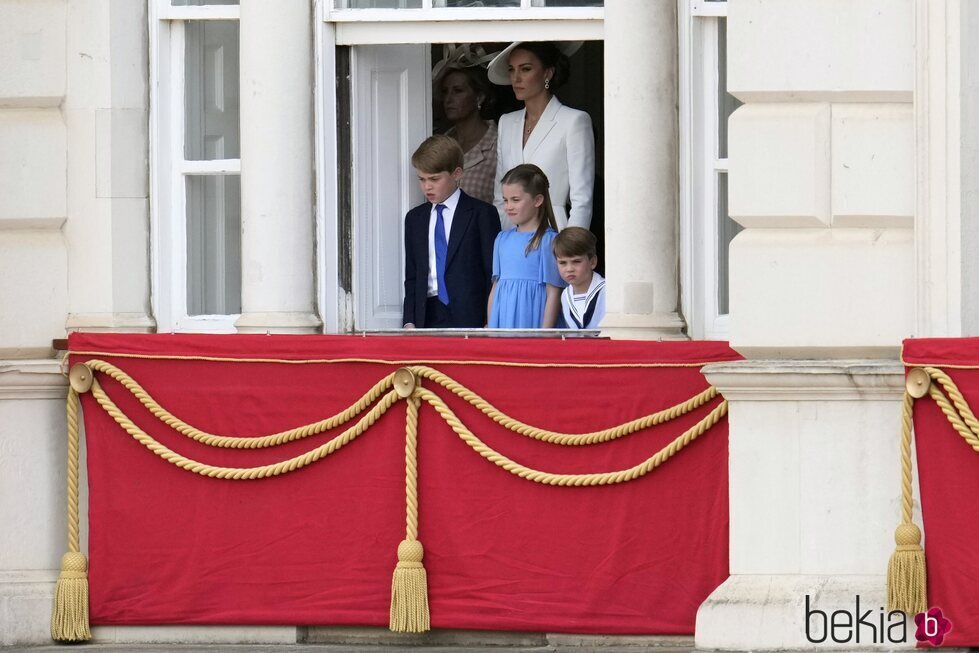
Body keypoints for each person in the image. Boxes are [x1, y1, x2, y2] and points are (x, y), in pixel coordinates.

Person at [487, 41, 595, 230]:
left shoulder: (573, 121)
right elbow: (499, 194)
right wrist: (505, 238)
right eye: (512, 70)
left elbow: (582, 200)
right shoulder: (507, 122)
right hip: (512, 235)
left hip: (554, 234)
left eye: (525, 69)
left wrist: (570, 249)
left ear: (548, 73)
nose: (516, 78)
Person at [403, 134, 501, 329]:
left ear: (457, 173)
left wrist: (490, 319)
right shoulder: (415, 218)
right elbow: (413, 274)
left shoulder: (482, 214)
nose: (427, 187)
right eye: (421, 179)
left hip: (470, 314)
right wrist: (409, 320)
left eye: (434, 179)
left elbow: (492, 272)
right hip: (427, 314)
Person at [487, 164, 565, 329]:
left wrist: (545, 334)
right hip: (503, 320)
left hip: (532, 318)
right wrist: (492, 327)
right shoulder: (501, 239)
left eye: (515, 200)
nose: (508, 206)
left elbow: (553, 293)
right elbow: (495, 288)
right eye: (505, 200)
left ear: (538, 200)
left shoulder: (548, 240)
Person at [438, 66, 498, 205]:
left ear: (479, 97)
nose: (448, 99)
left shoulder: (498, 144)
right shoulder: (439, 144)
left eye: (457, 91)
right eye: (445, 92)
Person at [552, 226, 606, 330]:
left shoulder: (607, 292)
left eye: (576, 261)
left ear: (592, 261)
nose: (569, 269)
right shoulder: (565, 295)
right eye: (562, 263)